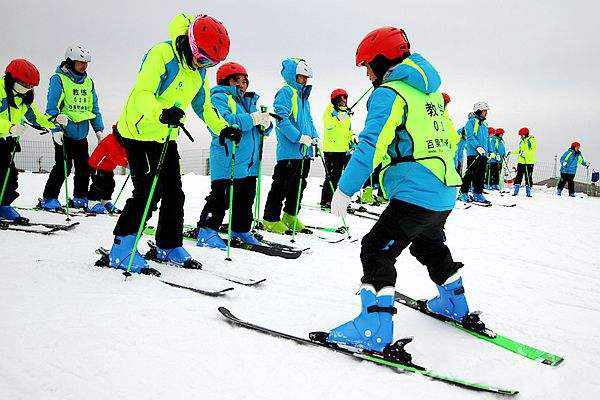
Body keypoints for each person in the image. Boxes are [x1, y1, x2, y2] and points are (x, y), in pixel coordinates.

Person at [321, 27, 468, 354]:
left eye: (367, 66)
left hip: (417, 191)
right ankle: (454, 303)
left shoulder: (390, 93)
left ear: (381, 60)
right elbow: (451, 139)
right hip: (445, 190)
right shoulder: (429, 95)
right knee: (428, 243)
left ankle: (373, 328)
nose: (366, 74)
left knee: (376, 248)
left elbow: (371, 145)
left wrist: (344, 189)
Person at [108, 14, 235, 273]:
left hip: (166, 135)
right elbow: (142, 93)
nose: (203, 66)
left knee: (175, 193)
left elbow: (203, 106)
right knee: (147, 192)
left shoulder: (198, 71)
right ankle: (122, 247)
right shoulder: (162, 54)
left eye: (211, 64)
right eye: (203, 59)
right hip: (139, 132)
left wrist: (223, 128)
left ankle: (168, 244)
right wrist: (161, 112)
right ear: (191, 44)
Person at [195, 62, 272, 249]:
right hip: (228, 157)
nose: (242, 84)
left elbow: (259, 130)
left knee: (245, 198)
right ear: (225, 81)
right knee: (221, 197)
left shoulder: (249, 102)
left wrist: (266, 124)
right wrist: (253, 119)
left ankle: (240, 229)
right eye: (236, 80)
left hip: (249, 163)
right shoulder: (219, 97)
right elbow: (226, 121)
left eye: (244, 81)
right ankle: (207, 230)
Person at [39, 45, 105, 210]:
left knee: (84, 168)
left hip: (81, 134)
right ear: (70, 61)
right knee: (63, 167)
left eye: (86, 63)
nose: (84, 66)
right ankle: (49, 198)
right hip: (64, 133)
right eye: (80, 62)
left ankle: (80, 197)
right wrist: (55, 130)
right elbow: (52, 108)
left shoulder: (88, 82)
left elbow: (94, 108)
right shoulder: (58, 79)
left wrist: (99, 130)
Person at [261, 58, 319, 233]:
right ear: (292, 75)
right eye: (301, 77)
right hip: (289, 151)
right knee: (281, 185)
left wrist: (315, 137)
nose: (305, 80)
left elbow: (309, 121)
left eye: (306, 77)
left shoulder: (303, 97)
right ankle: (270, 218)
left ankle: (290, 215)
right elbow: (281, 120)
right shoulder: (286, 92)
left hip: (304, 151)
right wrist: (299, 137)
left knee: (299, 186)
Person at [0, 59, 57, 222]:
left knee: (9, 176)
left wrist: (54, 121)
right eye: (25, 84)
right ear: (11, 78)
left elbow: (36, 117)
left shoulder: (24, 97)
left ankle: (3, 205)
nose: (28, 88)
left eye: (31, 85)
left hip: (6, 141)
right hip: (6, 132)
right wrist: (10, 127)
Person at [320, 88, 353, 208]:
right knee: (332, 176)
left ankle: (337, 199)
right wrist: (337, 118)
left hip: (343, 149)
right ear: (335, 100)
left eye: (345, 98)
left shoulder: (346, 113)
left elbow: (348, 130)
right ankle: (326, 200)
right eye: (341, 98)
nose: (343, 101)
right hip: (331, 149)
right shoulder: (330, 110)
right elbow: (327, 125)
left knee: (342, 176)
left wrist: (352, 138)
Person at [87, 126, 129, 213]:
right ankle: (92, 202)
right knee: (99, 184)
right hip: (97, 165)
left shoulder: (122, 142)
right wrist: (127, 164)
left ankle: (104, 201)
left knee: (110, 184)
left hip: (108, 168)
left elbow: (125, 153)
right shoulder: (111, 140)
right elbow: (114, 156)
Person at [458, 102, 490, 203]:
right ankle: (463, 192)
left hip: (483, 154)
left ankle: (478, 194)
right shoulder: (471, 122)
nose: (486, 113)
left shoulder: (484, 125)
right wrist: (477, 147)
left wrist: (489, 151)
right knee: (471, 173)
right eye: (485, 111)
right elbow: (470, 137)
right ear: (479, 110)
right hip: (473, 153)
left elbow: (487, 139)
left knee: (480, 174)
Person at [513, 127, 537, 197]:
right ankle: (516, 191)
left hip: (528, 162)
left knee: (528, 177)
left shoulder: (531, 140)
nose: (521, 136)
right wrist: (512, 152)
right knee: (518, 176)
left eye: (522, 135)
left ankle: (528, 192)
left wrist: (525, 153)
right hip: (521, 161)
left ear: (526, 134)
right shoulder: (521, 141)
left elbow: (533, 150)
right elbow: (520, 150)